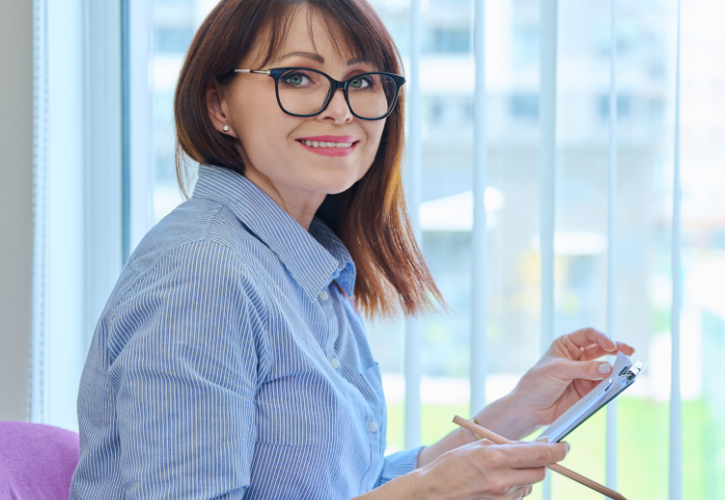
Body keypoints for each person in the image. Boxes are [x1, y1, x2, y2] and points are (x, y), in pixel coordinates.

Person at [70, 0, 635, 498]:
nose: (340, 109)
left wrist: (516, 413)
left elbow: (346, 488)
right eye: (297, 77)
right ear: (219, 106)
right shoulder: (205, 274)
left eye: (363, 81)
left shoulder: (302, 262)